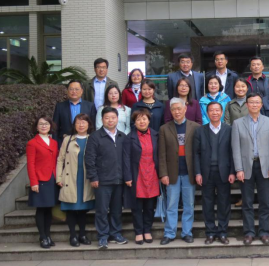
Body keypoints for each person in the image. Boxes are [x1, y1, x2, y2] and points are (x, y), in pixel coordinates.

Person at [231, 93, 269, 245]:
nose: (254, 105)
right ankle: (249, 232)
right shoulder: (238, 123)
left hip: (265, 167)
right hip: (246, 167)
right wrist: (238, 169)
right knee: (247, 202)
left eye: (257, 102)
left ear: (261, 105)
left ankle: (264, 232)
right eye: (251, 102)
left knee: (265, 202)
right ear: (247, 104)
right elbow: (236, 148)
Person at [158, 98, 200, 244]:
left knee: (189, 205)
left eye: (179, 108)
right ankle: (169, 233)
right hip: (172, 173)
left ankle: (187, 232)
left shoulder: (195, 127)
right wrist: (163, 174)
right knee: (171, 205)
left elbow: (198, 152)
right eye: (173, 109)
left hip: (189, 172)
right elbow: (161, 154)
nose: (177, 112)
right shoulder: (164, 129)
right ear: (170, 111)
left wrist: (198, 172)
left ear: (185, 109)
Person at [85, 107, 128, 249]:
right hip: (102, 180)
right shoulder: (95, 137)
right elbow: (89, 159)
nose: (110, 120)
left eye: (113, 117)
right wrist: (93, 177)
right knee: (102, 210)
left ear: (117, 119)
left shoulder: (122, 136)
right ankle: (103, 236)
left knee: (117, 210)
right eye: (107, 118)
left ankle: (116, 234)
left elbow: (126, 159)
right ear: (102, 119)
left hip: (119, 179)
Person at [194, 102, 235, 244]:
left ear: (222, 112)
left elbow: (233, 152)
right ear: (207, 113)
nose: (214, 113)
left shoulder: (229, 129)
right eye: (211, 110)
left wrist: (232, 172)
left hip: (224, 172)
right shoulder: (200, 131)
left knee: (224, 203)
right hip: (206, 173)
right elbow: (196, 153)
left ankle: (223, 232)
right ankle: (210, 232)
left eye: (217, 110)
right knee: (207, 203)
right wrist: (198, 173)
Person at [56, 114, 95, 247]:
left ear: (89, 124)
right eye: (78, 122)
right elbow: (60, 159)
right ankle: (73, 236)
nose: (81, 125)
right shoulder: (67, 139)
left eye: (84, 122)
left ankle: (82, 235)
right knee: (71, 209)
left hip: (85, 178)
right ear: (74, 125)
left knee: (83, 209)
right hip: (69, 178)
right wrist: (59, 177)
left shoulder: (92, 139)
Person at [123, 109, 160, 245]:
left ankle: (147, 230)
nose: (142, 122)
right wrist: (127, 176)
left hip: (152, 174)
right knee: (137, 207)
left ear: (149, 120)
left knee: (150, 206)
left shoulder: (156, 135)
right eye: (138, 119)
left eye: (144, 119)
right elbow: (126, 158)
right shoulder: (129, 137)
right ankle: (138, 232)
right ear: (134, 122)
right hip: (137, 174)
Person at [27, 116, 59, 249]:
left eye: (46, 124)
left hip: (52, 179)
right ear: (36, 127)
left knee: (49, 208)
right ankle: (42, 237)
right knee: (41, 209)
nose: (44, 126)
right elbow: (30, 164)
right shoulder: (32, 143)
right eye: (41, 124)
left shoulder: (54, 142)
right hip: (40, 179)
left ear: (50, 126)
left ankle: (48, 235)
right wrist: (33, 182)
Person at [53, 80, 96, 149]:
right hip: (65, 143)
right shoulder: (60, 106)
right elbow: (55, 127)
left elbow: (93, 126)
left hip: (85, 142)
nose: (74, 91)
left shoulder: (90, 106)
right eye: (71, 89)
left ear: (81, 91)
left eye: (77, 89)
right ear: (67, 91)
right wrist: (56, 145)